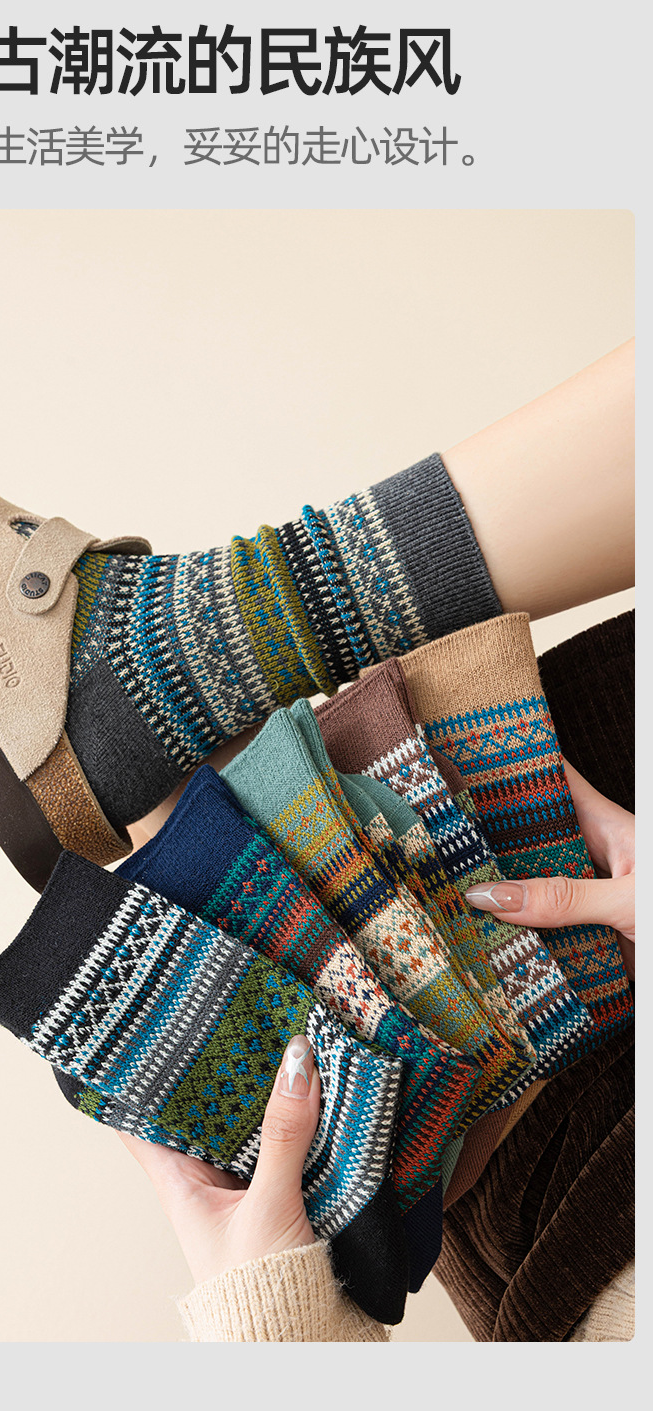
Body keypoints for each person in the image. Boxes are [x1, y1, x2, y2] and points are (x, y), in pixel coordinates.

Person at [120, 341, 635, 1341]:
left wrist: (267, 1321)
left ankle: (172, 655)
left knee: (206, 799)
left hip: (559, 1137)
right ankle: (178, 650)